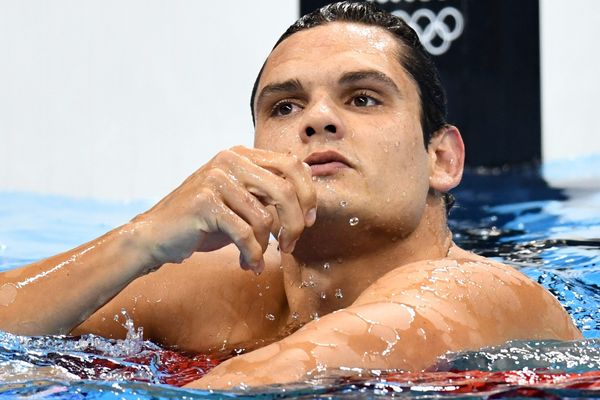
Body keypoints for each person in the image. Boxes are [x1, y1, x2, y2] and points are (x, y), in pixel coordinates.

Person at [0, 2, 581, 389]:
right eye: (285, 106)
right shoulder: (229, 282)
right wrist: (144, 238)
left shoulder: (479, 293)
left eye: (362, 99)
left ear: (442, 159)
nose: (317, 120)